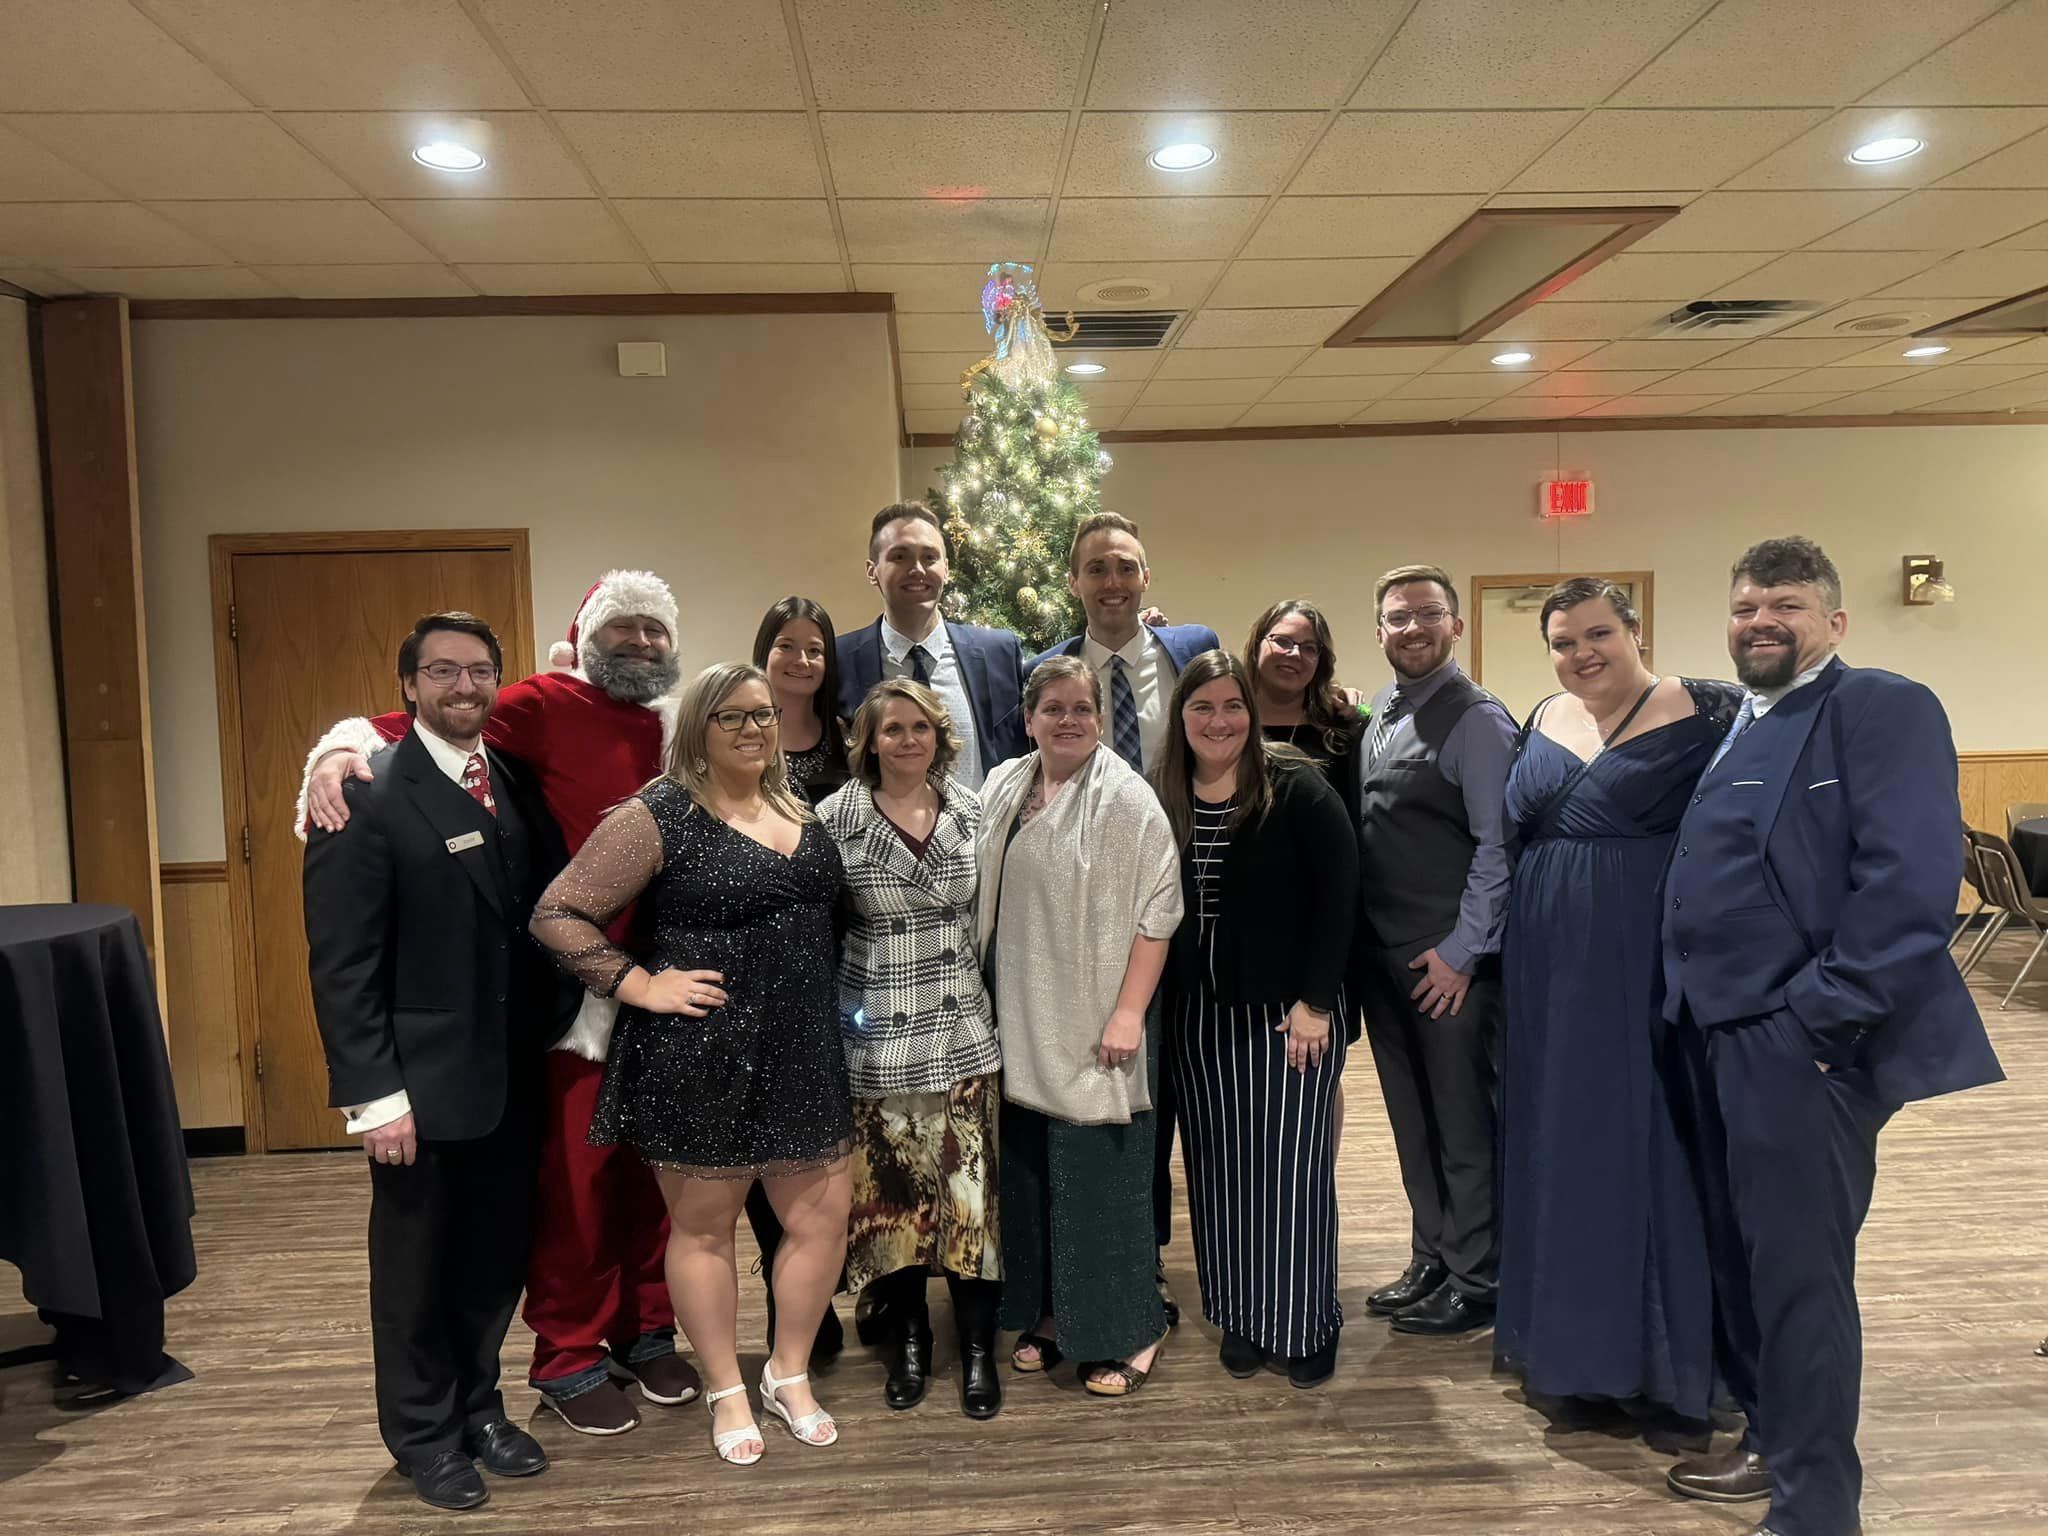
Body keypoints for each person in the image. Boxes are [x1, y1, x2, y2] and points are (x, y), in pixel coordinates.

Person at [298, 571, 718, 1434]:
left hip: (667, 991)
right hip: (577, 995)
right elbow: (414, 730)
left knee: (655, 1179)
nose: (640, 644)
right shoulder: (545, 701)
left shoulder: (677, 725)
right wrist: (337, 752)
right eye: (622, 628)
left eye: (654, 631)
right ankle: (567, 1352)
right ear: (585, 634)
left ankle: (645, 1328)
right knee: (576, 1183)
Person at [1660, 538, 2003, 1536]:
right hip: (1707, 1031)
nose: (1760, 621)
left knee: (1800, 1276)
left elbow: (1909, 884)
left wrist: (1818, 1015)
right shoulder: (1737, 721)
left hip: (1796, 1043)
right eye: (1743, 607)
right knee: (1739, 1258)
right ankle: (1769, 1442)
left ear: (1833, 623)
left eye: (1785, 606)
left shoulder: (1877, 707)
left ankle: (1814, 1508)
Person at [530, 662, 854, 1467]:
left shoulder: (796, 805)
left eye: (765, 716)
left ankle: (788, 1371)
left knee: (821, 1219)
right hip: (703, 1052)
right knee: (704, 1230)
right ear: (698, 728)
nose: (753, 730)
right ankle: (725, 1389)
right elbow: (557, 912)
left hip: (804, 1046)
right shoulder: (658, 813)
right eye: (733, 717)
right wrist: (638, 984)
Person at [302, 612, 580, 1511]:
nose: (464, 687)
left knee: (494, 1260)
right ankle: (423, 1436)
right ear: (409, 686)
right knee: (417, 1271)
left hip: (507, 1079)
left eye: (479, 671)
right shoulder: (365, 792)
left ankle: (478, 1408)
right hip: (416, 1091)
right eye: (443, 671)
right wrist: (374, 1098)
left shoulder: (512, 781)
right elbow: (342, 965)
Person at [1494, 578, 1739, 1430]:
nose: (1580, 654)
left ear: (1637, 629)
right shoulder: (1541, 716)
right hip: (1545, 960)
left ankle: (1658, 1360)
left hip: (1642, 958)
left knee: (1643, 1139)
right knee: (1557, 1136)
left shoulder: (1708, 711)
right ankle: (1567, 1350)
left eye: (1596, 634)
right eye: (1562, 642)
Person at [1026, 511, 1219, 1325]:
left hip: (1196, 894)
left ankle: (1156, 1256)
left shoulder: (1192, 650)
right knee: (1105, 1090)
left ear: (1148, 578)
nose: (1113, 581)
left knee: (1168, 1088)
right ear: (1074, 582)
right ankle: (1103, 1258)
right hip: (1085, 918)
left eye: (1127, 566)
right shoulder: (1047, 672)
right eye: (1097, 567)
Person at [975, 656, 1183, 1397]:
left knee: (1102, 1176)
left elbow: (1160, 912)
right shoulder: (1004, 785)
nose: (1068, 720)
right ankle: (1053, 1313)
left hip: (1097, 1015)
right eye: (1052, 708)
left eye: (1082, 708)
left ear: (1101, 717)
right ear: (1028, 718)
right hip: (1017, 1010)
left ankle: (1132, 1326)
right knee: (1031, 1176)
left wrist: (1129, 1013)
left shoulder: (1127, 798)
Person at [1154, 650, 1358, 1387]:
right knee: (1219, 1174)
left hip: (1286, 1017)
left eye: (1231, 706)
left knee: (1290, 1174)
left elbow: (1341, 898)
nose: (1219, 721)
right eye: (1202, 708)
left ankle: (1304, 1324)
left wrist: (1317, 1003)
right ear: (1182, 718)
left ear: (1250, 709)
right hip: (1196, 1021)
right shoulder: (1166, 791)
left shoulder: (1297, 786)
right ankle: (1242, 1314)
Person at [817, 680, 1003, 1419]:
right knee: (890, 1211)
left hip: (963, 1034)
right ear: (867, 740)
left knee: (971, 1206)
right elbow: (820, 931)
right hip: (878, 1038)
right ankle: (912, 1342)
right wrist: (842, 1016)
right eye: (890, 729)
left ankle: (980, 1349)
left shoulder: (973, 808)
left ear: (939, 735)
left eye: (919, 727)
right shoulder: (835, 819)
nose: (906, 740)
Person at [1354, 564, 1518, 1337]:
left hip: (1447, 964)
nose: (1412, 628)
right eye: (1397, 617)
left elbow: (1498, 847)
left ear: (1456, 624)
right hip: (1386, 958)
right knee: (1413, 1120)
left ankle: (1479, 1275)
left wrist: (1462, 952)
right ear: (1378, 630)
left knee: (1461, 1123)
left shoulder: (1477, 719)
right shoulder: (1382, 710)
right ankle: (1433, 1255)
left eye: (1427, 614)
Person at [1243, 598, 1370, 1151]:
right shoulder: (1231, 720)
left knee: (1318, 1070)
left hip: (1321, 928)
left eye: (1309, 647)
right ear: (1258, 644)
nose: (1294, 654)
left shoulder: (1343, 731)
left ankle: (1314, 1178)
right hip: (1245, 927)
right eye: (1283, 641)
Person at [837, 501, 1027, 789]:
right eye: (899, 557)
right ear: (872, 571)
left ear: (946, 569)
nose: (917, 569)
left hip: (985, 832)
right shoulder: (839, 660)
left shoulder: (1000, 653)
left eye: (929, 557)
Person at [755, 595, 850, 805]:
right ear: (765, 651)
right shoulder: (738, 733)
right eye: (786, 646)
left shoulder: (845, 737)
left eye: (814, 650)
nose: (802, 661)